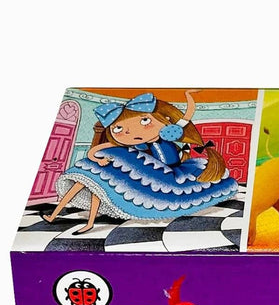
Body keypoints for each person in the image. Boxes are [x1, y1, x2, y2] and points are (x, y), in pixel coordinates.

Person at [41, 90, 237, 234]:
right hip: (151, 169)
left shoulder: (168, 135)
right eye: (118, 129)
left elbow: (185, 117)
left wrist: (188, 96)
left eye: (144, 121)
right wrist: (94, 159)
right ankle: (63, 215)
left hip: (172, 172)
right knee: (93, 179)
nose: (130, 132)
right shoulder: (136, 146)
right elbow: (96, 150)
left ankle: (87, 221)